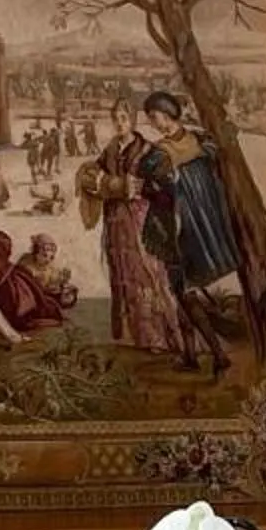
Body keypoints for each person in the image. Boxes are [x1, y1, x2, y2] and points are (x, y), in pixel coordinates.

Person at [136, 89, 243, 375]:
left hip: (177, 234)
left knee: (184, 294)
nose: (153, 123)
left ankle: (215, 355)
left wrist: (154, 189)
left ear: (166, 115)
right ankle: (192, 355)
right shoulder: (201, 141)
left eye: (154, 117)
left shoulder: (160, 153)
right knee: (182, 294)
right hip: (201, 232)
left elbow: (147, 180)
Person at [79, 98, 184, 355]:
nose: (119, 123)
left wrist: (132, 187)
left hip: (140, 221)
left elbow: (162, 186)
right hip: (116, 221)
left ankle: (158, 337)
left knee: (146, 273)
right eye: (115, 118)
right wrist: (100, 181)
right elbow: (94, 175)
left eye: (123, 118)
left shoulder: (148, 150)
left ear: (133, 120)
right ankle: (132, 336)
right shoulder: (110, 150)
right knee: (121, 273)